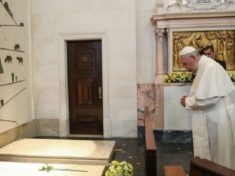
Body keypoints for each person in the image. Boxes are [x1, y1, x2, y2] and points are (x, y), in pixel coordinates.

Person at [179, 46, 235, 169]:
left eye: (185, 64)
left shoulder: (210, 68)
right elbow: (203, 93)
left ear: (193, 57)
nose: (185, 68)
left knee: (218, 157)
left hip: (218, 119)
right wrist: (189, 99)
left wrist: (188, 101)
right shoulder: (203, 67)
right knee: (213, 155)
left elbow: (210, 98)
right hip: (213, 116)